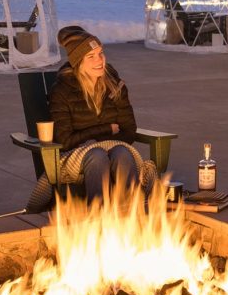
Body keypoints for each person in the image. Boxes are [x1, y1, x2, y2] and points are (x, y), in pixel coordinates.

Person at [26, 26, 145, 210]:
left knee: (123, 153)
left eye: (101, 53)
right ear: (78, 62)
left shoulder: (114, 86)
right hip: (74, 157)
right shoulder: (62, 92)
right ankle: (97, 217)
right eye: (91, 56)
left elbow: (128, 131)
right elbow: (65, 141)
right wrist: (105, 130)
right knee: (97, 156)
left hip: (112, 150)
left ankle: (132, 216)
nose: (99, 61)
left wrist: (105, 145)